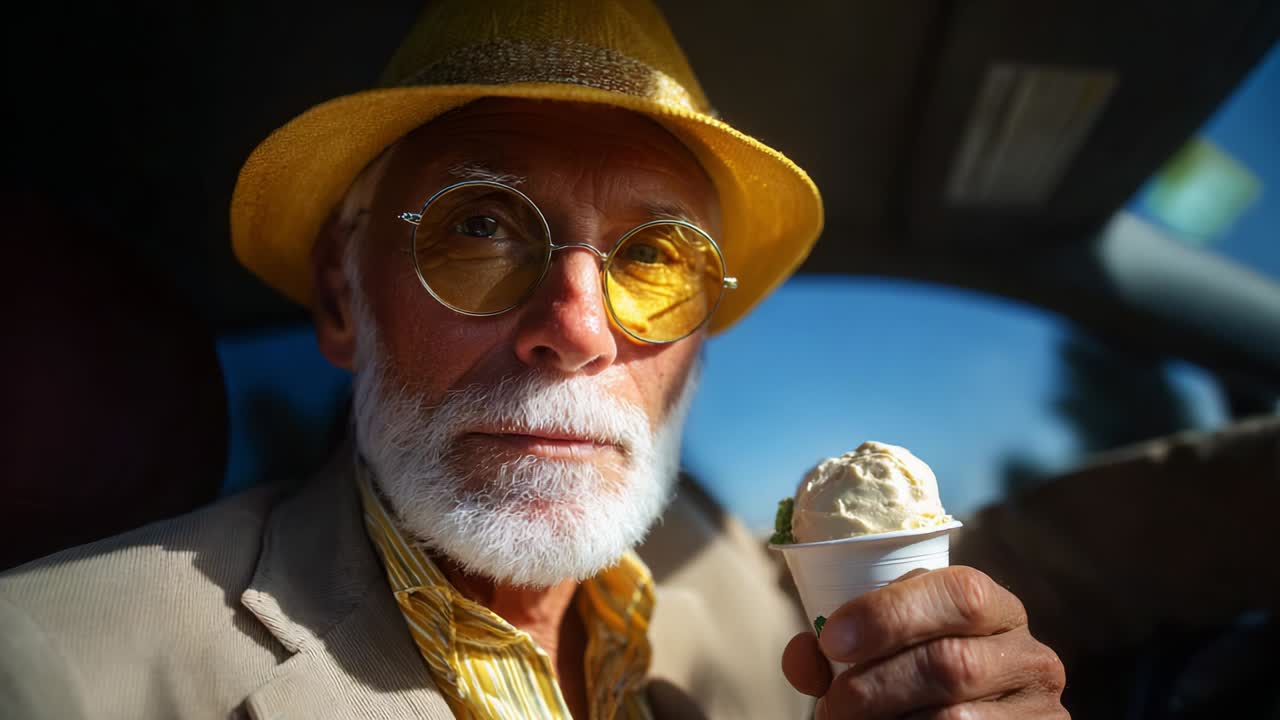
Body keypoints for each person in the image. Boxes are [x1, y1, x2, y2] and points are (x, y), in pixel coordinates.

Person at [0, 1, 1067, 718]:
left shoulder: (736, 577)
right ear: (341, 296)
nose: (577, 326)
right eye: (477, 229)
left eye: (653, 259)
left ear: (695, 349)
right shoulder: (53, 667)